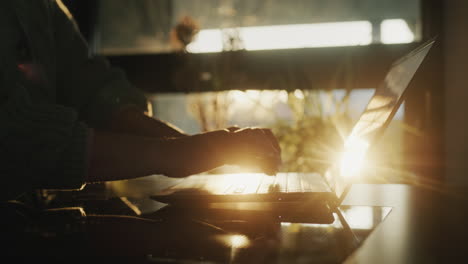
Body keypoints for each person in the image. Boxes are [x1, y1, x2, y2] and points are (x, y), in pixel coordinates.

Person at [0, 0, 282, 203]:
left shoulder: (42, 6)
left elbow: (92, 89)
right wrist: (177, 154)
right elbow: (15, 138)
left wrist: (190, 147)